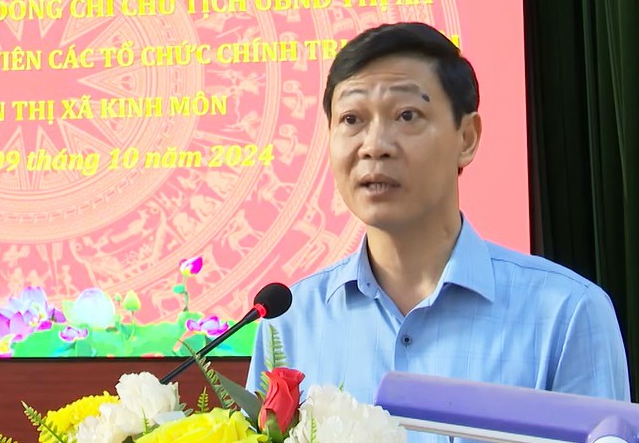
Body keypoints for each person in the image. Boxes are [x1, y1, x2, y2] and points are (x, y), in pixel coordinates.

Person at [247, 22, 630, 439]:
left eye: (406, 115)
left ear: (466, 138)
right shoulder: (290, 321)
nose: (374, 145)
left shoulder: (567, 314)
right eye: (352, 119)